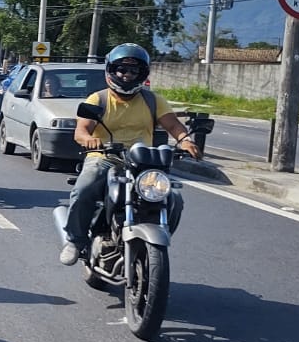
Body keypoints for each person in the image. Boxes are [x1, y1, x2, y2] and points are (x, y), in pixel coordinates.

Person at [59, 43, 200, 266]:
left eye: (133, 71)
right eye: (121, 70)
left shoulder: (153, 100)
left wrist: (185, 140)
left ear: (141, 74)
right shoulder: (99, 99)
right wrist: (89, 140)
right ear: (111, 71)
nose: (126, 75)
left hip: (143, 161)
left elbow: (173, 125)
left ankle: (156, 240)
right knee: (83, 189)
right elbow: (81, 130)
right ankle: (75, 241)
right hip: (105, 157)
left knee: (174, 199)